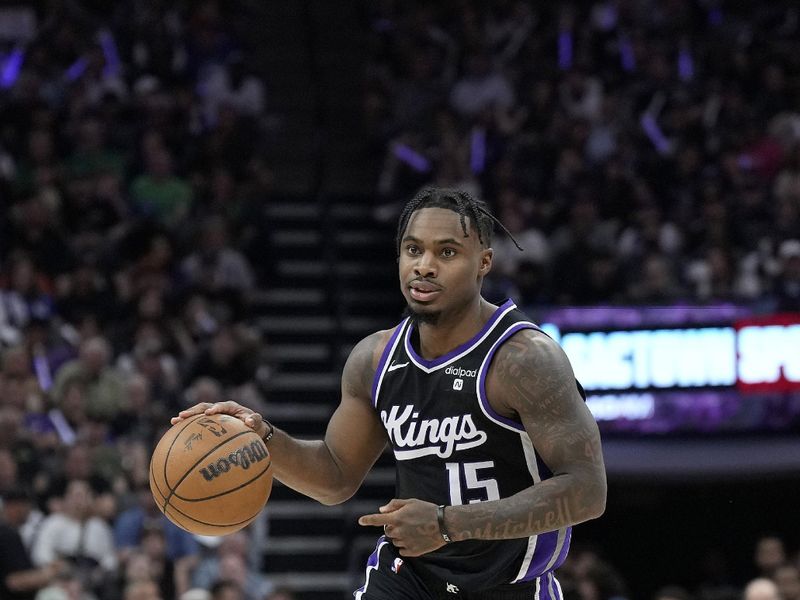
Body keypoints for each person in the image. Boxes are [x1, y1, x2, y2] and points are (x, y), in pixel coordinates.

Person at [173, 187, 607, 599]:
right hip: (408, 578)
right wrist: (263, 438)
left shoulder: (524, 359)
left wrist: (445, 523)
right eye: (413, 250)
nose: (424, 265)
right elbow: (335, 476)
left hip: (509, 584)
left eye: (447, 252)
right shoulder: (373, 360)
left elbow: (588, 491)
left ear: (485, 262)